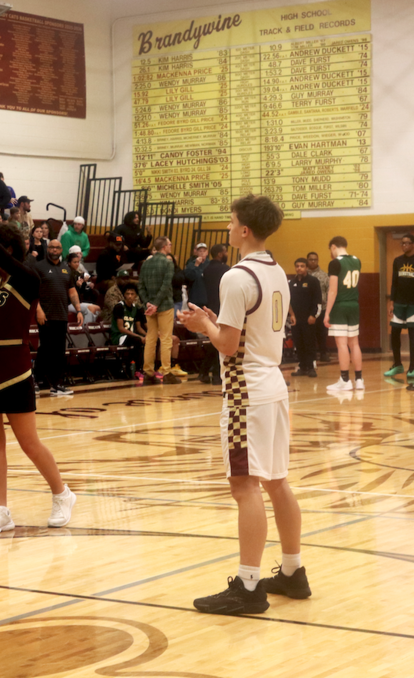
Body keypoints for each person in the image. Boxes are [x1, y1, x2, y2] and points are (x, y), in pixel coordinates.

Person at [181, 193, 308, 616]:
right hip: (272, 382)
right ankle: (292, 572)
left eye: (232, 221)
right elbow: (248, 334)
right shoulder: (276, 271)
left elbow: (229, 345)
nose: (229, 226)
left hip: (244, 392)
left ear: (245, 229)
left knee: (245, 486)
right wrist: (213, 322)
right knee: (277, 481)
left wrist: (204, 326)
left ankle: (249, 586)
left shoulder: (235, 277)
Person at [0, 224, 75, 535]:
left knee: (29, 442)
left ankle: (62, 494)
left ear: (8, 249)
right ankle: (1, 510)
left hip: (14, 369)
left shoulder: (27, 279)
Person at [35, 239, 81, 396]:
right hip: (45, 315)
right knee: (45, 349)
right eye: (52, 247)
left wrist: (79, 310)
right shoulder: (39, 266)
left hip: (61, 315)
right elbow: (32, 291)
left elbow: (72, 291)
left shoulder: (66, 269)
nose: (55, 250)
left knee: (59, 351)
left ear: (62, 250)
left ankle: (57, 384)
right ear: (48, 249)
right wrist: (38, 309)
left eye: (58, 247)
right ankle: (36, 380)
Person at [324, 236, 363, 391]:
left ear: (333, 247)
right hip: (354, 304)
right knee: (354, 343)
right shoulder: (357, 260)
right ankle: (359, 380)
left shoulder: (335, 263)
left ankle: (345, 380)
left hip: (340, 305)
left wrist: (327, 312)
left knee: (341, 344)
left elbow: (333, 290)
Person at [138, 236, 179, 385]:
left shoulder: (145, 264)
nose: (171, 246)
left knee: (150, 339)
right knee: (166, 339)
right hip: (164, 305)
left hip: (149, 307)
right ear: (164, 247)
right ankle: (166, 372)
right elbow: (166, 285)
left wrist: (148, 303)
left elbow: (140, 286)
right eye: (170, 244)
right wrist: (156, 304)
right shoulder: (168, 263)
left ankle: (148, 373)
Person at [199, 243, 231, 385]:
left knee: (215, 340)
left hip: (209, 306)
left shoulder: (206, 269)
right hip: (222, 307)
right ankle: (216, 374)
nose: (227, 254)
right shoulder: (226, 269)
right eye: (226, 252)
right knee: (220, 341)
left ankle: (205, 371)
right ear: (220, 254)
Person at [385, 233, 414, 380]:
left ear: (413, 244)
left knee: (412, 335)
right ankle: (397, 364)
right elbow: (394, 282)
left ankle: (412, 367)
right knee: (395, 333)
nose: (404, 245)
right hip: (399, 303)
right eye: (402, 243)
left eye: (407, 243)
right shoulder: (397, 261)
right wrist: (391, 302)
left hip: (412, 304)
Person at [289, 258, 320, 378]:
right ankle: (302, 367)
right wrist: (291, 315)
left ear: (306, 267)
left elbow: (318, 301)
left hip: (309, 319)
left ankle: (311, 368)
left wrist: (313, 315)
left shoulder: (313, 281)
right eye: (297, 266)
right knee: (299, 343)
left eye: (302, 266)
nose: (299, 268)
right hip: (296, 319)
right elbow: (289, 301)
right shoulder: (292, 283)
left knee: (309, 343)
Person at [110, 283, 145, 377]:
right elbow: (121, 328)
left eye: (132, 294)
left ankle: (152, 368)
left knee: (150, 340)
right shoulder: (119, 307)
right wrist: (138, 336)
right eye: (127, 293)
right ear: (124, 295)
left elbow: (139, 328)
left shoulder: (136, 309)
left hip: (131, 336)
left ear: (136, 296)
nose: (129, 296)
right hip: (119, 337)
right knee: (137, 340)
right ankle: (138, 370)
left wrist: (148, 335)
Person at [306, 251, 330, 363]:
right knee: (309, 334)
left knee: (321, 334)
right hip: (307, 309)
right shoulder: (303, 275)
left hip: (322, 309)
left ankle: (323, 353)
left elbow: (329, 291)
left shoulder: (324, 276)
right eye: (311, 259)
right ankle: (312, 355)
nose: (313, 261)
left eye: (315, 259)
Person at [183, 243, 210, 307]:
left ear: (207, 253)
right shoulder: (191, 264)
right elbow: (189, 277)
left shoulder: (210, 265)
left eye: (204, 251)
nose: (202, 253)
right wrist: (196, 265)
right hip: (194, 298)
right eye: (200, 251)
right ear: (197, 253)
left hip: (207, 298)